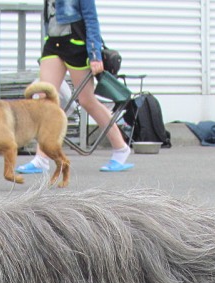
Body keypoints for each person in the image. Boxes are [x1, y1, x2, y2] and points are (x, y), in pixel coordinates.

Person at [17, 0, 133, 174]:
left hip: (75, 44)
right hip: (53, 44)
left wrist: (94, 55)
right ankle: (41, 158)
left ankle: (120, 148)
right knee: (44, 100)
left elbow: (91, 18)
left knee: (87, 100)